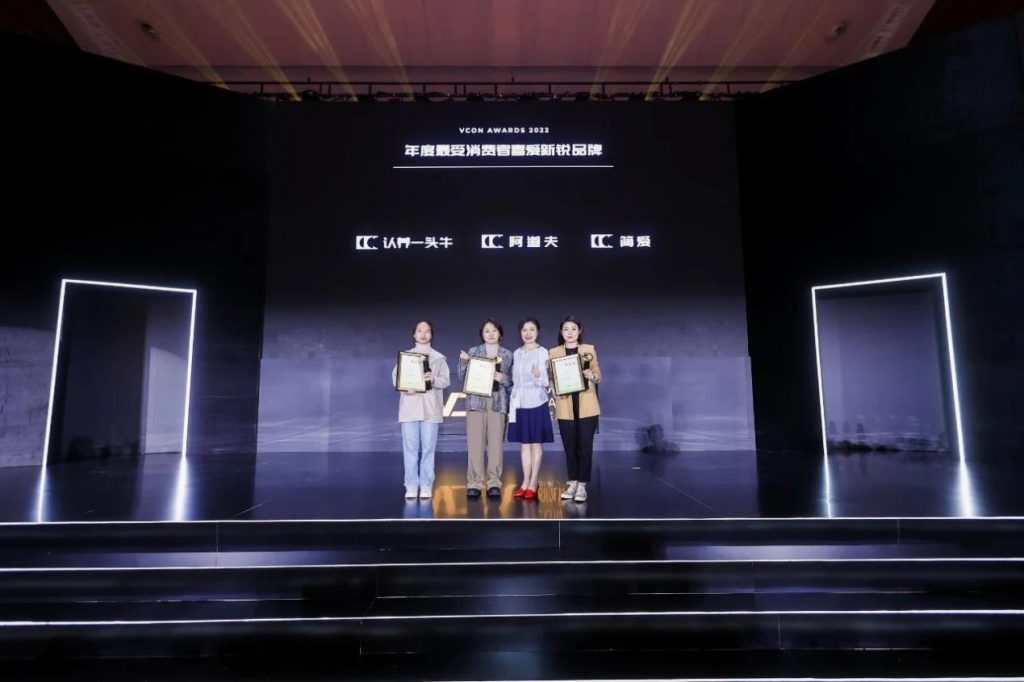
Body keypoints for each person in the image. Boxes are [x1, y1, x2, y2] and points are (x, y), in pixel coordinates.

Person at [392, 320, 450, 500]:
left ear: (431, 334)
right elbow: (396, 378)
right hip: (410, 408)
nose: (423, 334)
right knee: (410, 448)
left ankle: (426, 485)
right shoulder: (406, 357)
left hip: (430, 409)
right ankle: (410, 485)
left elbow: (445, 381)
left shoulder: (439, 358)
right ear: (414, 334)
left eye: (427, 331)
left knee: (428, 449)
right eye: (420, 331)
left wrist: (434, 379)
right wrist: (404, 387)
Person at [458, 319, 513, 499]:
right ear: (482, 334)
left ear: (500, 333)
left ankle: (494, 482)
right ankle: (474, 482)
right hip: (476, 402)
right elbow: (462, 377)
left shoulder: (508, 354)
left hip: (498, 402)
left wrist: (502, 378)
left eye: (494, 330)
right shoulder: (473, 351)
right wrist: (463, 362)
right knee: (475, 443)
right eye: (487, 330)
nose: (490, 334)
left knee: (496, 444)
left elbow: (512, 383)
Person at [550, 315, 601, 502]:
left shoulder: (589, 350)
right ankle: (572, 482)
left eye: (573, 329)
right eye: (566, 329)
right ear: (561, 332)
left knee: (585, 448)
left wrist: (591, 375)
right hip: (565, 405)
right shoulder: (554, 352)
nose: (569, 332)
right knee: (570, 448)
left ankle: (582, 485)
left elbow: (598, 375)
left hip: (587, 405)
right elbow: (551, 377)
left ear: (579, 331)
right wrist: (553, 388)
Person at [507, 318, 553, 501]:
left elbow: (546, 382)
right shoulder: (516, 353)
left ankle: (534, 482)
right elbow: (515, 380)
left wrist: (538, 374)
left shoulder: (543, 352)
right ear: (520, 333)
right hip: (520, 402)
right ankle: (525, 482)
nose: (528, 333)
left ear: (537, 332)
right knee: (524, 444)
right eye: (524, 330)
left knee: (535, 443)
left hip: (537, 401)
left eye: (532, 329)